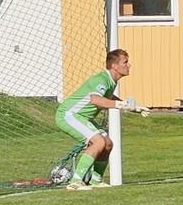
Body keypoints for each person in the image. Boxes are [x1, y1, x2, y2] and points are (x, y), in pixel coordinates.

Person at [55, 48, 149, 191]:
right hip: (69, 115)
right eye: (125, 62)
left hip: (81, 117)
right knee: (98, 141)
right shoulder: (102, 79)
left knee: (107, 144)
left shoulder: (111, 81)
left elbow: (109, 97)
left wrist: (133, 108)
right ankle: (75, 182)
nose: (129, 65)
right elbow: (96, 100)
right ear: (115, 66)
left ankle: (96, 181)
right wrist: (120, 105)